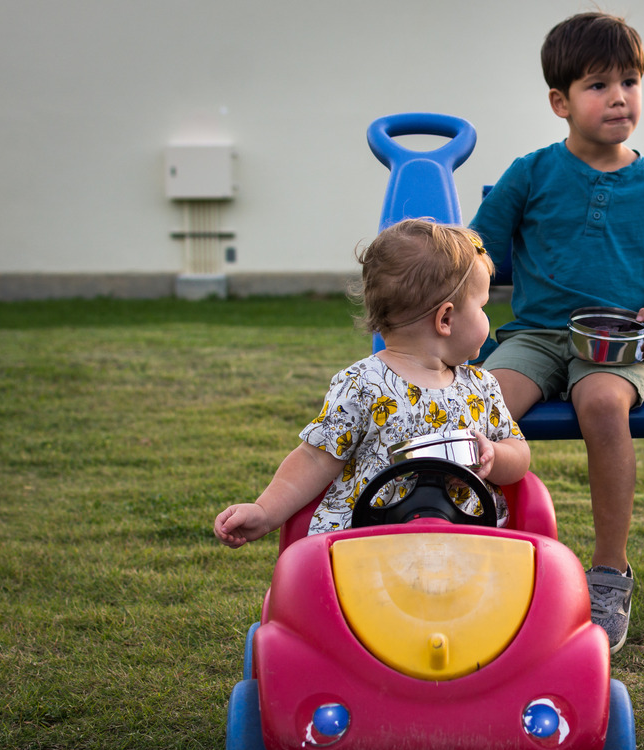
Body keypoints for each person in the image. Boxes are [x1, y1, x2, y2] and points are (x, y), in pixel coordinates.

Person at [470, 11, 644, 652]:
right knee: (480, 403)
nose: (619, 97)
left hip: (615, 343)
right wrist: (448, 294)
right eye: (598, 85)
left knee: (601, 403)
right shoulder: (532, 172)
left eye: (629, 82)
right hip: (537, 336)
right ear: (560, 102)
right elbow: (476, 248)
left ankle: (609, 574)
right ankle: (479, 554)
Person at [214, 219, 530, 548]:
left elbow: (519, 453)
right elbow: (315, 458)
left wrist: (493, 455)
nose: (487, 316)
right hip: (368, 550)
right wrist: (265, 511)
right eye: (482, 306)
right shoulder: (362, 385)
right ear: (446, 319)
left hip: (469, 544)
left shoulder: (481, 387)